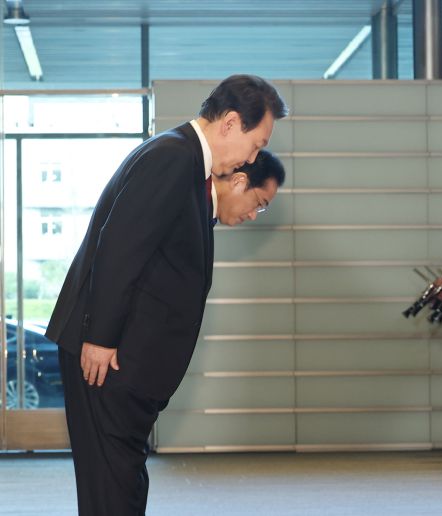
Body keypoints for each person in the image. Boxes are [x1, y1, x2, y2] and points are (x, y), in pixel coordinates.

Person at [45, 74, 288, 515]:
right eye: (256, 144)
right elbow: (120, 247)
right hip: (106, 359)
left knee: (121, 483)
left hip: (123, 362)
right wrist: (100, 338)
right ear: (231, 123)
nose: (252, 158)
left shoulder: (185, 163)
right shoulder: (173, 157)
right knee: (111, 490)